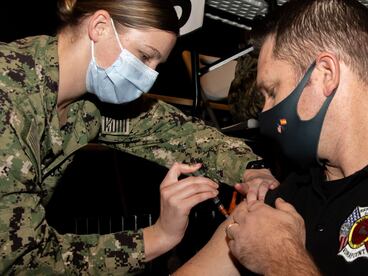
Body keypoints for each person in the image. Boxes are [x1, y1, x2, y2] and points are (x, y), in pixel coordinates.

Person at [0, 0, 278, 274]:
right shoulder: (8, 98)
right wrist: (159, 237)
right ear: (99, 27)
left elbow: (175, 133)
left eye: (158, 64)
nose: (150, 75)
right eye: (145, 56)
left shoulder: (87, 102)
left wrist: (251, 170)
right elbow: (25, 262)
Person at [174, 0, 368, 275]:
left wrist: (281, 256)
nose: (265, 112)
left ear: (326, 74)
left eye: (272, 92)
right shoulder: (291, 193)